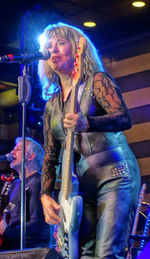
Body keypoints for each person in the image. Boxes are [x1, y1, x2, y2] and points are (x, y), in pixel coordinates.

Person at [38, 22, 141, 259]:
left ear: (77, 49)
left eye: (61, 43)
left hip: (115, 175)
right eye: (49, 46)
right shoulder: (51, 104)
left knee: (106, 253)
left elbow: (124, 118)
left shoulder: (97, 80)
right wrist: (45, 195)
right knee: (82, 253)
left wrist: (88, 123)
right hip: (82, 186)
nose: (53, 50)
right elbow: (50, 155)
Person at [0, 137, 50, 250]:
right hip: (13, 247)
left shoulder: (38, 182)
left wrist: (8, 232)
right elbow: (11, 208)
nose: (11, 152)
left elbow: (36, 223)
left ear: (31, 156)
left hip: (30, 249)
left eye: (18, 149)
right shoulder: (16, 184)